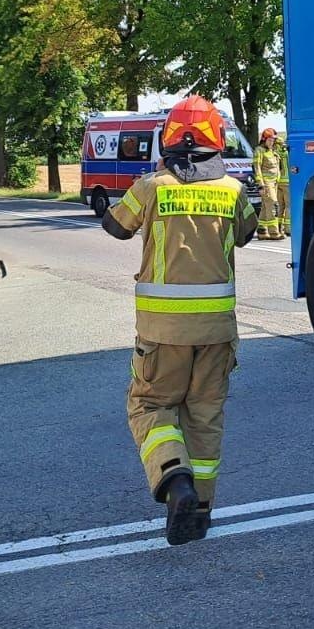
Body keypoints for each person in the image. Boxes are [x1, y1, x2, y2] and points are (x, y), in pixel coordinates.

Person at [100, 95, 257, 545]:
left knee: (149, 406)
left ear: (169, 138)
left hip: (161, 333)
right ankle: (201, 512)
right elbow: (246, 234)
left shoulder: (152, 187)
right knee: (205, 415)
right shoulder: (232, 190)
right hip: (217, 332)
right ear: (217, 141)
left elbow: (115, 226)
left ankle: (176, 480)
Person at [253, 127, 285, 240]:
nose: (272, 142)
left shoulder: (272, 150)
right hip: (266, 184)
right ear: (264, 140)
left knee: (265, 207)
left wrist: (275, 137)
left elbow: (282, 142)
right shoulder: (259, 151)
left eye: (273, 140)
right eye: (269, 140)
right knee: (273, 205)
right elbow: (257, 169)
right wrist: (260, 185)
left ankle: (262, 230)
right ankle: (274, 232)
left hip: (275, 183)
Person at [275, 130, 291, 243]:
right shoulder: (286, 153)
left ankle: (278, 226)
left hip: (277, 182)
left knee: (280, 206)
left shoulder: (274, 153)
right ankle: (288, 229)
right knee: (289, 206)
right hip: (287, 181)